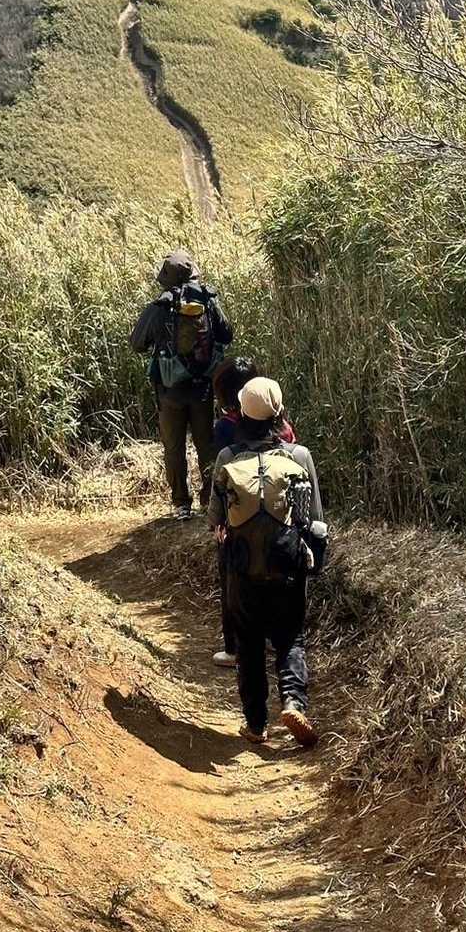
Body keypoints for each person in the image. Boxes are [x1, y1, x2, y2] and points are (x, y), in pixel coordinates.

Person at [209, 377, 326, 748]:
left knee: (249, 643)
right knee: (290, 638)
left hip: (242, 568)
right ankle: (293, 703)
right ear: (279, 413)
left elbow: (215, 519)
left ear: (241, 413)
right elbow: (316, 520)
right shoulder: (299, 456)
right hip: (287, 564)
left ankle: (256, 724)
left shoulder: (227, 458)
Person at [130, 249, 233, 521]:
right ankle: (209, 500)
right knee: (206, 444)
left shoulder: (160, 306)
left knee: (174, 447)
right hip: (202, 386)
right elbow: (227, 334)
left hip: (169, 389)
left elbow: (137, 343)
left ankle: (181, 504)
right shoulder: (207, 300)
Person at [209, 357, 297, 669]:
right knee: (277, 581)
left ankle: (234, 648)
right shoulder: (286, 432)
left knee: (234, 585)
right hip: (280, 524)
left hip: (238, 525)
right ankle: (275, 640)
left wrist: (216, 523)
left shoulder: (227, 430)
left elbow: (219, 484)